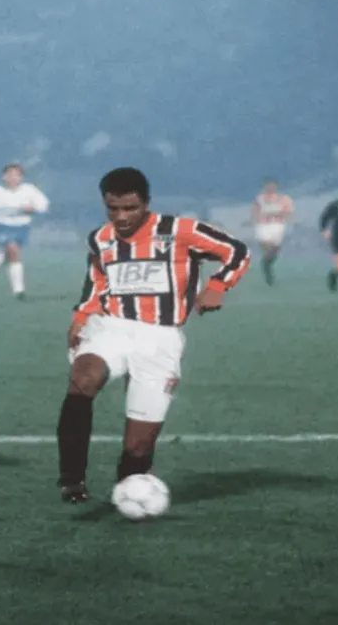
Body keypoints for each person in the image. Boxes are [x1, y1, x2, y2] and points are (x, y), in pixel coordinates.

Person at [56, 167, 250, 503]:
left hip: (159, 338)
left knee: (138, 445)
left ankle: (130, 489)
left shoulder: (180, 231)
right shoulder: (100, 238)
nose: (121, 216)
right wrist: (80, 315)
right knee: (83, 379)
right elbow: (97, 280)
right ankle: (72, 479)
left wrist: (218, 286)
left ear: (147, 202)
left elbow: (236, 251)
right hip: (110, 327)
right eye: (113, 208)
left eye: (130, 208)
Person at [0, 164, 49, 299]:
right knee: (13, 250)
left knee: (10, 252)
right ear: (3, 177)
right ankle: (19, 291)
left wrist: (32, 208)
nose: (12, 178)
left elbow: (43, 204)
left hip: (22, 226)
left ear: (21, 177)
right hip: (2, 225)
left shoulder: (29, 190)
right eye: (9, 174)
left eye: (16, 175)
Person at [249, 178, 293, 286]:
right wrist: (256, 218)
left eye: (273, 186)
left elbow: (288, 212)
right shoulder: (259, 199)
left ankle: (266, 264)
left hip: (277, 226)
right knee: (267, 247)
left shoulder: (283, 199)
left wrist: (281, 215)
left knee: (274, 251)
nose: (270, 188)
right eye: (268, 186)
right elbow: (254, 212)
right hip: (263, 226)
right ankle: (267, 271)